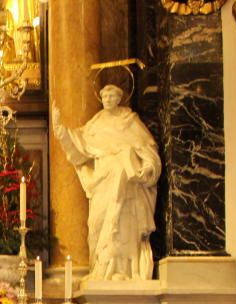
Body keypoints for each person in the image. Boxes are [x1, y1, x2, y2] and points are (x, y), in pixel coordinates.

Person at [52, 84, 161, 281]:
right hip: (103, 181)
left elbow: (148, 149)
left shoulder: (130, 121)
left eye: (112, 96)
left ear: (119, 98)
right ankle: (101, 268)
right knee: (97, 224)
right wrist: (60, 130)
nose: (108, 99)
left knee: (123, 225)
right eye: (105, 96)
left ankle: (127, 269)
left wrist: (147, 166)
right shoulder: (96, 125)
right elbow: (78, 149)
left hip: (127, 185)